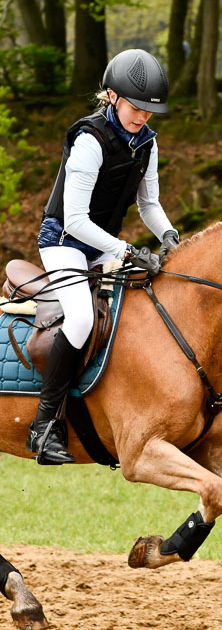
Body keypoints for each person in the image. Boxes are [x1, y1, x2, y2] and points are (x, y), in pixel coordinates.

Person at [28, 48, 180, 465]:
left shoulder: (146, 141)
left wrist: (167, 235)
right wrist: (128, 250)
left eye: (150, 111)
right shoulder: (89, 140)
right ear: (112, 96)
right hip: (63, 242)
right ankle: (43, 426)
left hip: (101, 248)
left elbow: (149, 204)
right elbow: (75, 220)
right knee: (80, 318)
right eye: (136, 107)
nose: (143, 117)